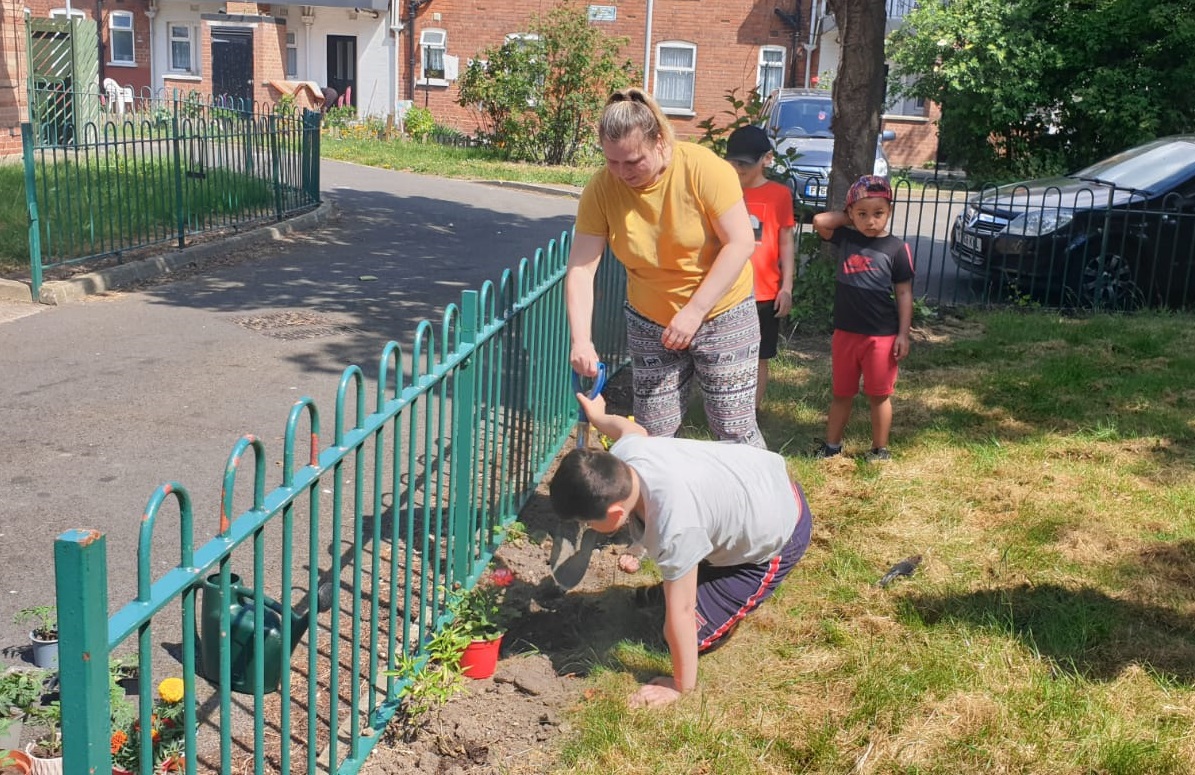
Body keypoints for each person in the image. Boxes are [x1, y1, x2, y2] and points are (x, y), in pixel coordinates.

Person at [548, 391, 813, 709]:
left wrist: (679, 685)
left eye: (585, 522)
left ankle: (723, 582)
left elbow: (683, 614)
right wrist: (599, 417)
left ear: (617, 515)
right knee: (676, 599)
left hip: (779, 530)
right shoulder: (626, 458)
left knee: (684, 634)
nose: (584, 527)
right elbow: (631, 431)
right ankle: (704, 578)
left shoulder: (674, 526)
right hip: (755, 483)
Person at [566, 88, 765, 448]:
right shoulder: (601, 189)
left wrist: (694, 312)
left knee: (732, 429)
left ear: (659, 140)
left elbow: (740, 243)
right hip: (651, 320)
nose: (622, 173)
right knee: (652, 434)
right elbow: (581, 268)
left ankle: (768, 503)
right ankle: (660, 505)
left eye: (633, 161)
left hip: (721, 313)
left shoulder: (703, 169)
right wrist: (581, 339)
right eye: (612, 162)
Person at [810, 175, 914, 461]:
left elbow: (904, 294)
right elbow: (820, 221)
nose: (870, 221)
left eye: (878, 213)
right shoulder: (847, 238)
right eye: (863, 214)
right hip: (846, 334)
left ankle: (880, 449)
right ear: (851, 214)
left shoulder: (897, 249)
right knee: (842, 392)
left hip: (881, 336)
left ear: (889, 212)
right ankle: (832, 446)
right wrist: (848, 217)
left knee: (878, 394)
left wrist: (903, 334)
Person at [723, 125, 795, 408]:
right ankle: (727, 410)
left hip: (764, 293)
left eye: (745, 163)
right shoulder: (721, 190)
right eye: (734, 161)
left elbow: (786, 242)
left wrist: (786, 287)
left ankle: (751, 413)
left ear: (766, 159)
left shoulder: (779, 195)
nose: (739, 168)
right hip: (726, 290)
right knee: (727, 354)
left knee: (759, 357)